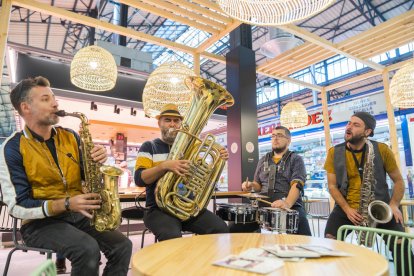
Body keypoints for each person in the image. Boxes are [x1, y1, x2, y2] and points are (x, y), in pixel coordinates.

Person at [0, 76, 132, 276]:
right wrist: (66, 204)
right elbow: (17, 206)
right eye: (45, 99)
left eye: (54, 98)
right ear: (25, 107)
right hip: (39, 223)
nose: (55, 103)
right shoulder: (11, 148)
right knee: (87, 249)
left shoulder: (70, 136)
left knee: (122, 245)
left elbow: (86, 176)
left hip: (78, 214)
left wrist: (98, 160)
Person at [324, 111, 413, 275]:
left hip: (381, 207)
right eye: (349, 123)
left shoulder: (381, 149)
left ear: (368, 132)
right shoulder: (333, 153)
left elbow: (399, 181)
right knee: (328, 245)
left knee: (403, 246)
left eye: (356, 125)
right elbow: (332, 186)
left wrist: (393, 205)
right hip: (346, 208)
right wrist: (346, 209)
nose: (349, 127)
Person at [134, 103, 229, 241]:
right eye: (167, 120)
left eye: (176, 120)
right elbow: (139, 179)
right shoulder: (149, 146)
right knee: (171, 235)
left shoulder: (192, 147)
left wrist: (220, 155)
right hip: (157, 209)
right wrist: (164, 166)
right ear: (159, 123)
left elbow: (201, 173)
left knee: (221, 229)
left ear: (181, 124)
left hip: (187, 206)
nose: (172, 124)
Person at [239, 126, 312, 236]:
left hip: (289, 202)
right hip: (263, 202)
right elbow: (258, 184)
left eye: (279, 135)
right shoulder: (263, 159)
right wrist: (251, 185)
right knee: (237, 224)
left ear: (288, 140)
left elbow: (297, 184)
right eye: (273, 136)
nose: (275, 138)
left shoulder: (296, 159)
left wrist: (287, 203)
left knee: (301, 225)